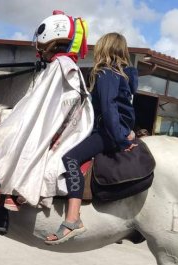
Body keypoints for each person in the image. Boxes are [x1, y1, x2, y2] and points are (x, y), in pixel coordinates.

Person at [0, 11, 92, 210]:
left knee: (14, 137)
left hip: (59, 127)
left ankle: (11, 194)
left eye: (40, 44)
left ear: (48, 39)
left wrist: (7, 115)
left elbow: (35, 105)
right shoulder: (67, 64)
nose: (39, 49)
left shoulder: (59, 65)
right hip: (68, 125)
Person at [45, 32, 138, 244]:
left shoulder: (105, 73)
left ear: (104, 48)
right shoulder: (124, 75)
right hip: (117, 131)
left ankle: (72, 219)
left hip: (107, 132)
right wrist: (128, 131)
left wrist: (122, 140)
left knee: (69, 158)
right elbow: (127, 109)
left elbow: (109, 108)